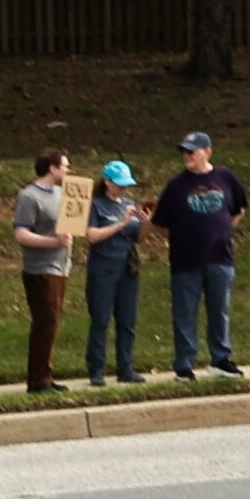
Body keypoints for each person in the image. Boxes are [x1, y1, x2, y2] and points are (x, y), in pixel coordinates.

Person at [156, 129, 247, 377]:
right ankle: (184, 364)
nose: (187, 156)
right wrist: (182, 239)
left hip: (220, 256)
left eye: (192, 151)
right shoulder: (176, 186)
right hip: (186, 259)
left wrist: (224, 231)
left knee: (219, 309)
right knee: (185, 312)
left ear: (207, 152)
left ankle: (220, 359)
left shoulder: (226, 177)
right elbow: (162, 222)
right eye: (184, 152)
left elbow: (238, 210)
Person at [78, 161, 147, 386]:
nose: (123, 189)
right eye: (119, 184)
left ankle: (125, 367)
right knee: (100, 319)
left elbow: (138, 237)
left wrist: (145, 223)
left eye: (125, 185)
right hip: (103, 268)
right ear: (107, 182)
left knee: (127, 320)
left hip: (128, 267)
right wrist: (121, 223)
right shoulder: (96, 206)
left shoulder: (128, 203)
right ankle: (96, 369)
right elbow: (92, 236)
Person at [11, 151, 74, 393]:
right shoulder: (29, 196)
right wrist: (53, 242)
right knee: (45, 321)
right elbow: (21, 234)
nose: (68, 170)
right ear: (52, 168)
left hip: (61, 266)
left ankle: (46, 373)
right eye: (65, 166)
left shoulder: (61, 194)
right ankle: (38, 379)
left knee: (53, 321)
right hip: (40, 269)